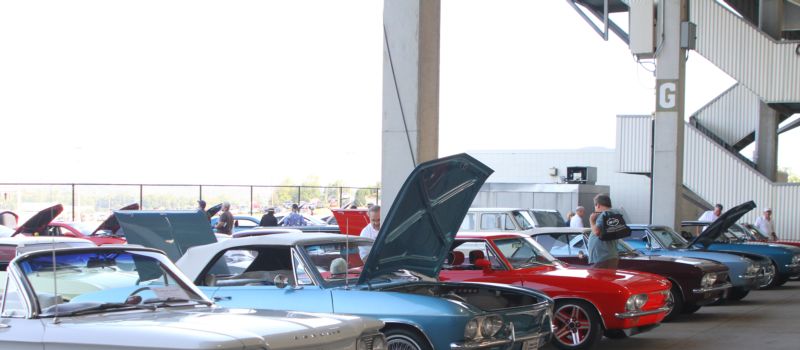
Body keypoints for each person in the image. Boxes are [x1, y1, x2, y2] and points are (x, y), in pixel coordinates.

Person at [588, 194, 620, 269]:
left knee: (595, 278)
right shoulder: (614, 214)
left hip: (602, 257)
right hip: (610, 255)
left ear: (598, 205)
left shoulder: (604, 214)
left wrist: (591, 221)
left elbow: (597, 232)